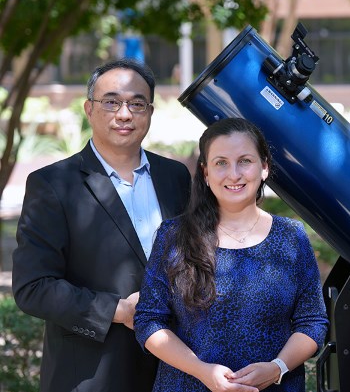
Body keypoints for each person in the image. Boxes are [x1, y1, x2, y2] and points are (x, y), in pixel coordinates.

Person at [12, 58, 192, 392]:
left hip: (174, 370)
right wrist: (118, 310)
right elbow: (32, 287)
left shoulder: (175, 176)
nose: (124, 114)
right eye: (111, 102)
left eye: (137, 103)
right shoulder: (52, 184)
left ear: (150, 111)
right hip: (92, 374)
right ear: (89, 109)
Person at [134, 117, 328, 392]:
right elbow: (148, 320)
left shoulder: (291, 237)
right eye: (221, 163)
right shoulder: (174, 235)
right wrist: (201, 371)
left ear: (264, 167)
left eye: (245, 161)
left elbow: (313, 322)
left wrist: (277, 368)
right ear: (205, 173)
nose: (234, 174)